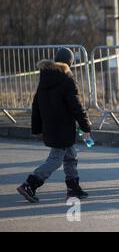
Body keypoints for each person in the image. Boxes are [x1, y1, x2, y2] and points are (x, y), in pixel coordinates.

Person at [17, 48, 92, 203]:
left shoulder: (45, 78)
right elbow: (76, 106)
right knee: (56, 159)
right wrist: (86, 126)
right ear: (70, 62)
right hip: (63, 127)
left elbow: (36, 104)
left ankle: (73, 188)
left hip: (51, 126)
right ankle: (29, 184)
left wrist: (36, 128)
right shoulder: (67, 79)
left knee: (70, 156)